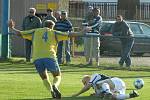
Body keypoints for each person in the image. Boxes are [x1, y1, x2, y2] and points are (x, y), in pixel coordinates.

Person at [8, 19, 85, 99]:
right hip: (50, 57)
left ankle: (51, 90)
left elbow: (20, 33)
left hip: (37, 58)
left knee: (44, 77)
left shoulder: (35, 31)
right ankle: (55, 85)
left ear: (43, 25)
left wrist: (12, 28)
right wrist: (81, 32)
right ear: (52, 26)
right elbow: (69, 34)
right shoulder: (54, 32)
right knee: (57, 75)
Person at [72, 73, 139, 100]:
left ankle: (108, 92)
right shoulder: (96, 89)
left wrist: (77, 94)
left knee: (99, 84)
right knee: (114, 97)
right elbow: (100, 95)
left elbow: (88, 87)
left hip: (116, 81)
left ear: (87, 78)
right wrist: (95, 95)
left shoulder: (94, 75)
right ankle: (131, 95)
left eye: (84, 82)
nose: (84, 85)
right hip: (120, 87)